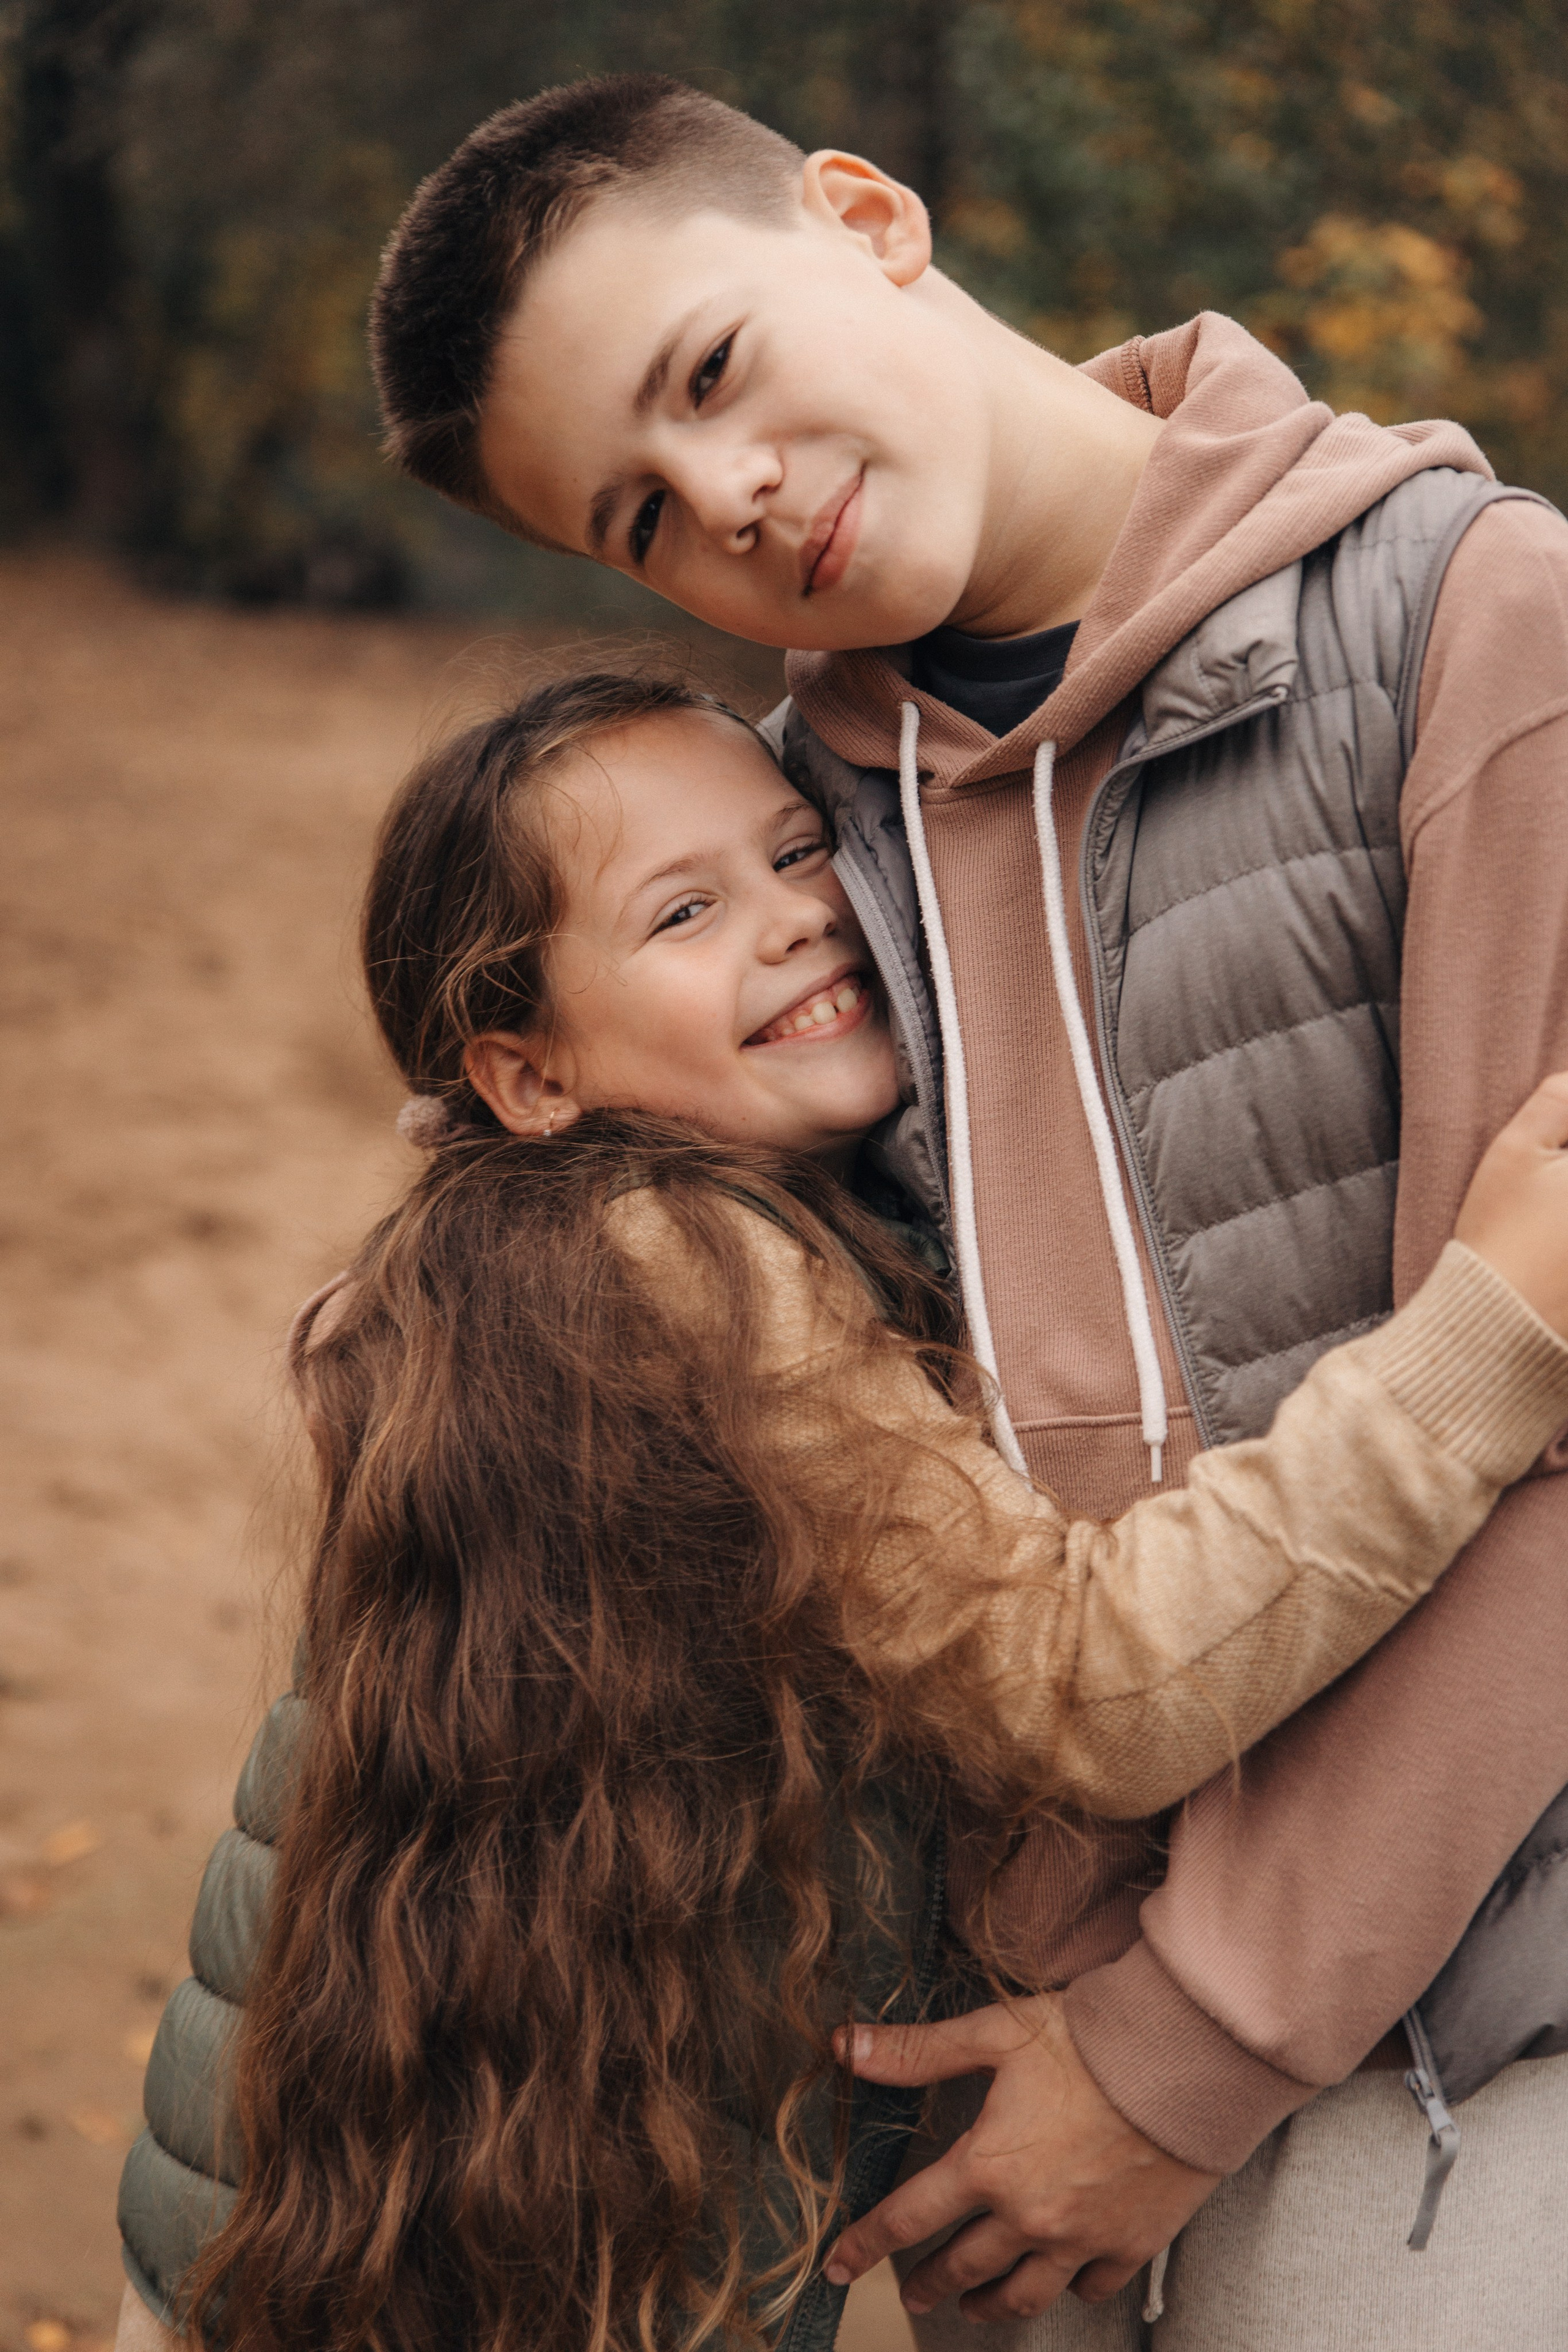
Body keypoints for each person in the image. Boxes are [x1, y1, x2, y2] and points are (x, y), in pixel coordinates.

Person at [357, 75, 1568, 2348]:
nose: (727, 497)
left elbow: (1557, 1406)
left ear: (867, 214)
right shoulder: (805, 839)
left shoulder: (1479, 626)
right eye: (638, 516)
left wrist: (1193, 2045)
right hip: (1004, 2069)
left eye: (709, 372)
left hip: (1464, 2030)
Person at [116, 671, 1568, 2352]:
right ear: (528, 1075)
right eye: (685, 909)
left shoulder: (474, 1293)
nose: (802, 919)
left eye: (799, 850)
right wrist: (1489, 1337)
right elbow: (1083, 1684)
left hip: (281, 2216)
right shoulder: (696, 1277)